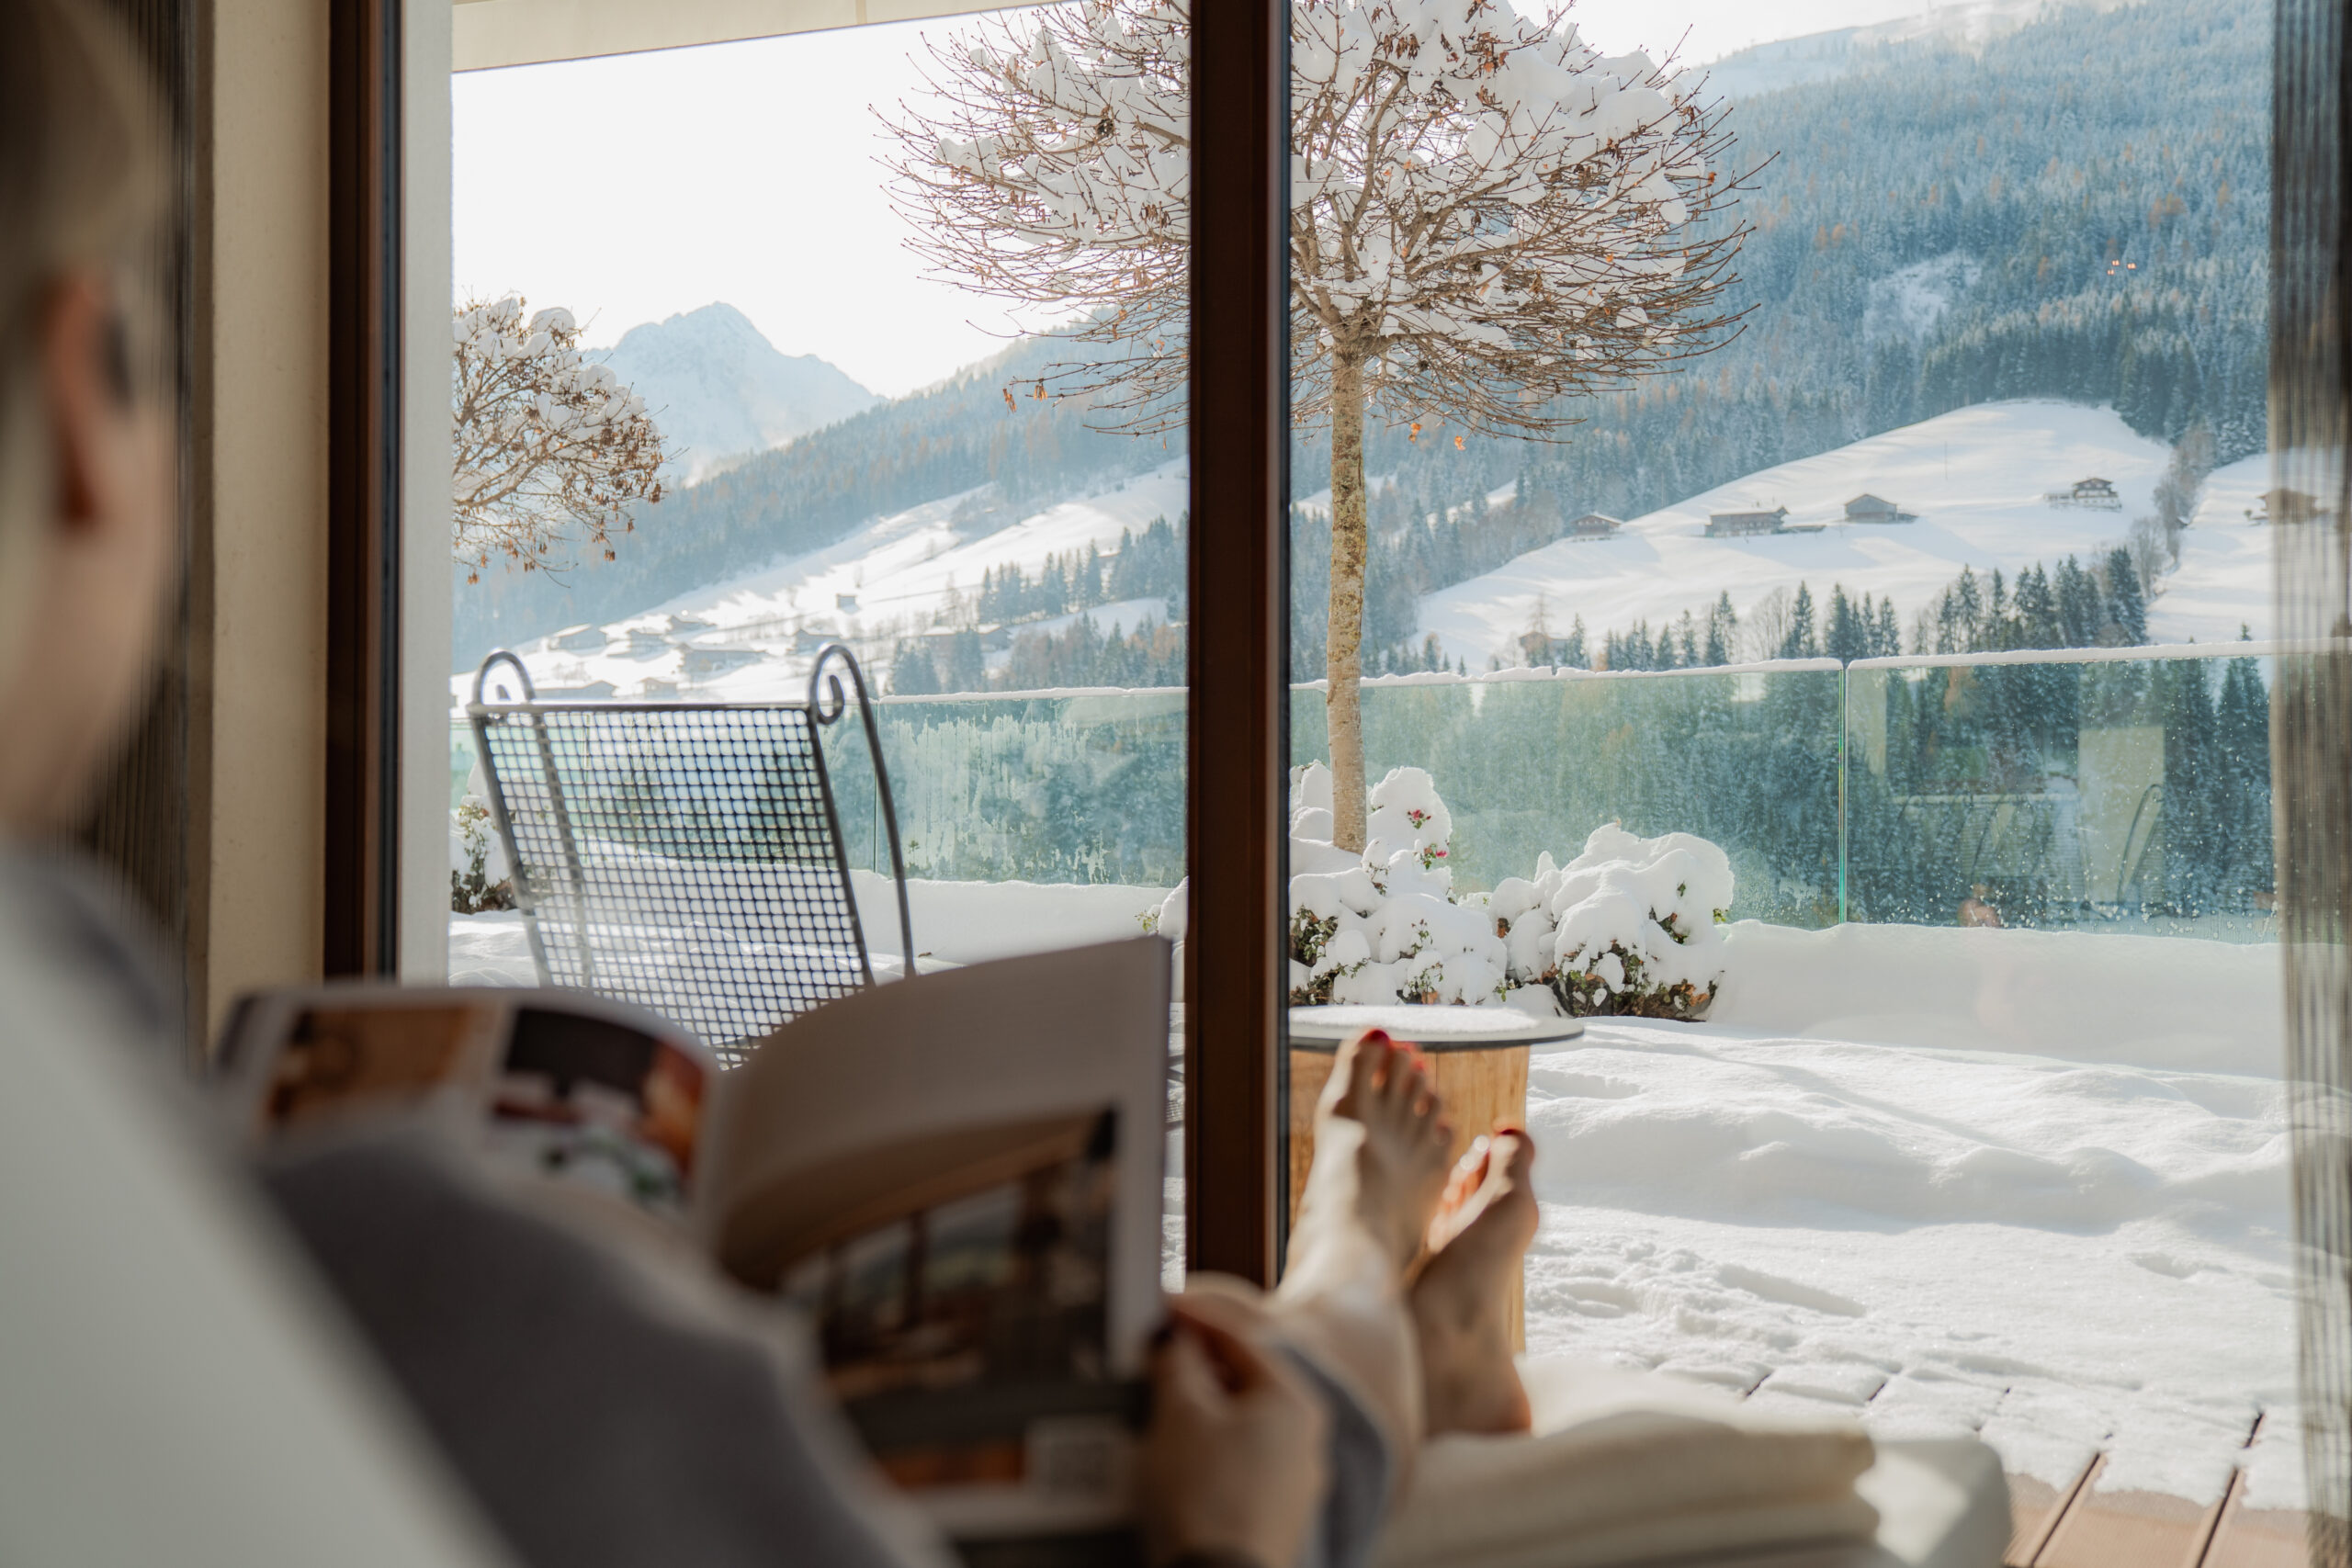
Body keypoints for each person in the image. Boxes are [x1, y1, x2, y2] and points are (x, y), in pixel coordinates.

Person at [0, 2, 1544, 1563]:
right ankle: (1371, 1290)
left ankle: (1372, 1305)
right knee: (1218, 1397)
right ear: (84, 401)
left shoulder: (117, 1208)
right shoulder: (396, 1283)